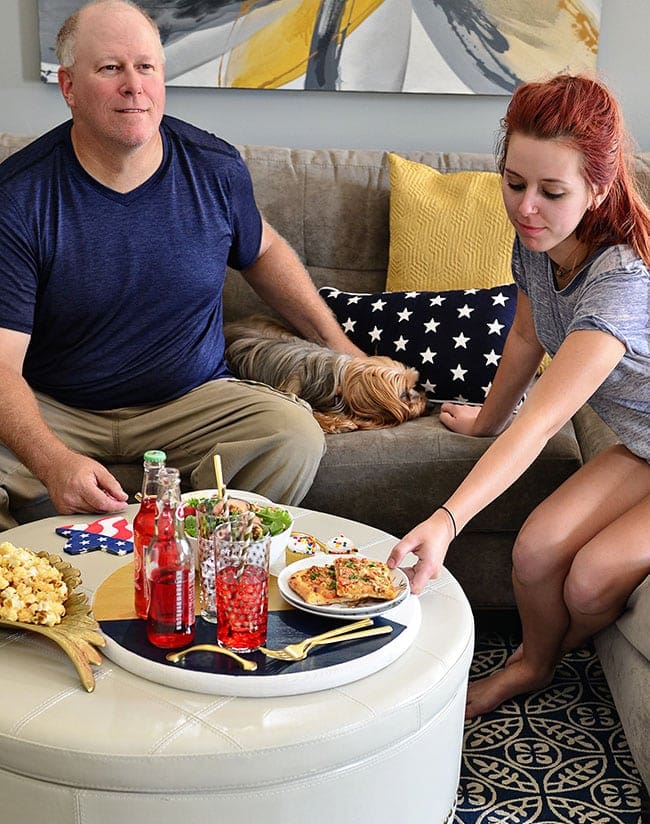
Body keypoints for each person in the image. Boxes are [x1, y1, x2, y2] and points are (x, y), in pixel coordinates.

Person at [0, 0, 365, 531]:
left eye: (146, 66)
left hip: (189, 400)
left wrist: (343, 350)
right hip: (58, 406)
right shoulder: (18, 196)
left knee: (292, 434)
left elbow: (262, 250)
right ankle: (37, 590)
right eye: (110, 68)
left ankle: (199, 559)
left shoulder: (213, 169)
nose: (134, 85)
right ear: (69, 87)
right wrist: (54, 462)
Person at [388, 73, 650, 719]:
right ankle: (531, 665)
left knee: (589, 579)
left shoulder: (621, 283)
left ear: (599, 187)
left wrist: (447, 521)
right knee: (533, 551)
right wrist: (484, 421)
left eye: (551, 191)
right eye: (514, 182)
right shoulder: (538, 244)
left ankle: (550, 656)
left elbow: (540, 426)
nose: (525, 206)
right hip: (643, 443)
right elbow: (529, 333)